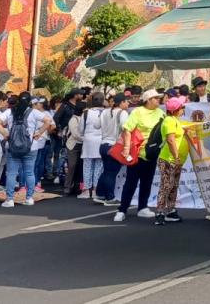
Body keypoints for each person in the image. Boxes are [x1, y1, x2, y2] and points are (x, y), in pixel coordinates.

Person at [115, 89, 164, 222]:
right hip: (137, 154)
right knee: (130, 183)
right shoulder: (138, 111)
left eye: (159, 98)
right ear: (148, 100)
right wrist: (126, 147)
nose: (159, 100)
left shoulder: (161, 113)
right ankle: (122, 209)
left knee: (147, 182)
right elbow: (127, 129)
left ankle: (142, 207)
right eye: (155, 98)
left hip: (152, 154)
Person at [1, 93, 49, 208]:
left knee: (12, 173)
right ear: (30, 102)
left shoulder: (10, 111)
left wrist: (4, 133)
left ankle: (10, 199)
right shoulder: (33, 112)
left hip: (12, 146)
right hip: (31, 147)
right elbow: (48, 121)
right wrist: (39, 133)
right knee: (29, 172)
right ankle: (29, 198)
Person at [155, 96, 195, 225]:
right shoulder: (169, 121)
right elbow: (171, 140)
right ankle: (160, 212)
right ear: (175, 110)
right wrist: (176, 157)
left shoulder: (174, 120)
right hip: (169, 159)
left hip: (176, 160)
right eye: (181, 108)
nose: (183, 110)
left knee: (173, 185)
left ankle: (170, 210)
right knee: (166, 185)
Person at [81, 93, 108, 202]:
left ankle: (87, 190)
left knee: (87, 166)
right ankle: (96, 190)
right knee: (99, 166)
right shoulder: (107, 113)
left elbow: (80, 128)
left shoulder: (86, 113)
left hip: (88, 141)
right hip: (102, 141)